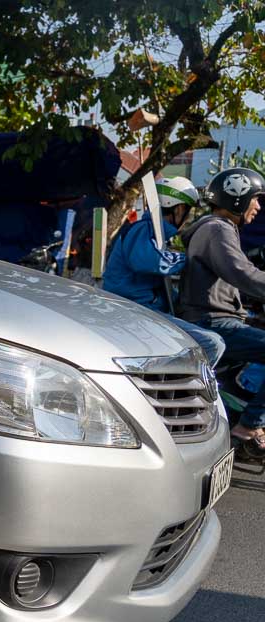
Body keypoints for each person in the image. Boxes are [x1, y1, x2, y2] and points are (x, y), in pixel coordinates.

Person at [179, 167, 265, 451]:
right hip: (213, 322)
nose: (258, 206)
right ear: (239, 198)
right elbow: (243, 274)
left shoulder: (219, 228)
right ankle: (249, 426)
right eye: (256, 198)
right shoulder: (217, 229)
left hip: (220, 317)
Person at [103, 176, 225, 365]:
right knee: (211, 343)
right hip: (133, 311)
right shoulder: (141, 229)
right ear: (178, 209)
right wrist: (190, 258)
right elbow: (148, 261)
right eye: (188, 211)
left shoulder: (155, 236)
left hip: (143, 311)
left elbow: (158, 286)